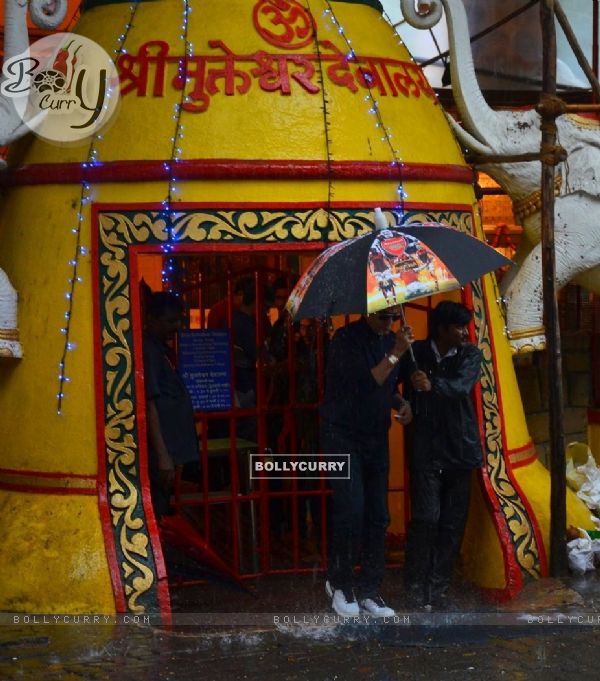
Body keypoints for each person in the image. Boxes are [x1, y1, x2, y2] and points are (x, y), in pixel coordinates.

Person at [320, 307, 413, 617]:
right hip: (342, 435)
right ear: (368, 313)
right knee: (350, 509)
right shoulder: (346, 341)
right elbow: (369, 381)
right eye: (383, 318)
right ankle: (340, 582)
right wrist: (399, 350)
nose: (389, 324)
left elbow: (387, 388)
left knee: (378, 514)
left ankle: (370, 589)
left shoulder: (388, 341)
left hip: (375, 436)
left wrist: (402, 403)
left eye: (393, 319)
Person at [400, 300, 483, 608]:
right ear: (441, 329)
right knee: (426, 518)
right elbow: (393, 390)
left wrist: (431, 384)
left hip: (460, 449)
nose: (465, 332)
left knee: (452, 522)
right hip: (425, 448)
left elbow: (460, 387)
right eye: (459, 327)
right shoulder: (416, 353)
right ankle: (415, 582)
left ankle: (439, 587)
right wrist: (404, 403)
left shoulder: (470, 354)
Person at [143, 292, 199, 520]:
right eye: (169, 321)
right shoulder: (148, 350)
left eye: (178, 320)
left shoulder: (160, 349)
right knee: (159, 511)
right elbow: (149, 404)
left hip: (170, 450)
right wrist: (163, 455)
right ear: (151, 319)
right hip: (160, 454)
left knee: (165, 506)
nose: (175, 326)